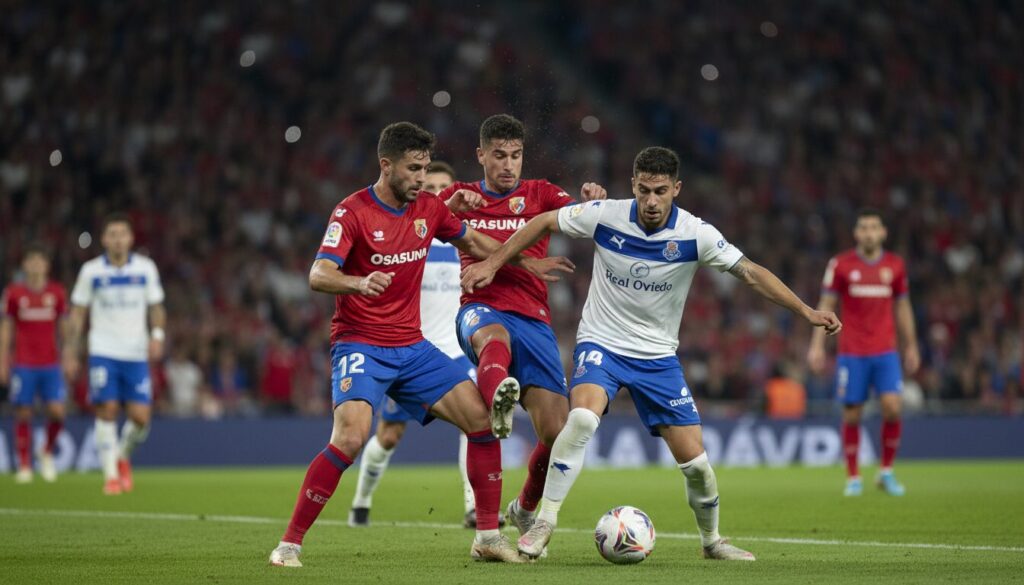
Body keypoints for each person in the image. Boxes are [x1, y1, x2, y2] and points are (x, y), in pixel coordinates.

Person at [462, 146, 842, 561]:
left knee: (695, 464)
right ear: (633, 186)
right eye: (643, 190)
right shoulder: (606, 214)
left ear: (676, 188)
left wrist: (806, 310)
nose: (651, 201)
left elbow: (750, 272)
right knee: (583, 417)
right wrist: (496, 263)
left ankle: (712, 541)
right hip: (602, 342)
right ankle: (543, 523)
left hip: (658, 357)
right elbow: (543, 221)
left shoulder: (697, 234)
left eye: (661, 191)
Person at [268, 122, 572, 568]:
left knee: (482, 421)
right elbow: (318, 275)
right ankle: (289, 544)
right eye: (413, 169)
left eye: (425, 167)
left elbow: (470, 239)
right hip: (362, 345)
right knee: (352, 438)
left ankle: (487, 535)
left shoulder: (428, 208)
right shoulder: (351, 212)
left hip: (413, 348)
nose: (420, 178)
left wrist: (523, 261)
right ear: (385, 164)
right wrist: (357, 282)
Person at [438, 114, 605, 539]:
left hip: (533, 319)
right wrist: (447, 209)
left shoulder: (540, 193)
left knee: (557, 433)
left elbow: (585, 218)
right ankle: (498, 402)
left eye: (515, 156)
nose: (508, 164)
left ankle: (525, 506)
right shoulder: (462, 195)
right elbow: (418, 224)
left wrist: (591, 200)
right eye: (499, 156)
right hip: (480, 308)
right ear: (481, 156)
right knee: (494, 338)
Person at [348, 160, 504, 529]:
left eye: (443, 189)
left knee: (478, 419)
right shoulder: (406, 239)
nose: (436, 195)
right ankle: (361, 502)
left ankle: (472, 508)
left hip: (454, 349)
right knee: (388, 436)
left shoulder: (462, 242)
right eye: (430, 188)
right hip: (410, 347)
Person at [807, 208, 919, 497]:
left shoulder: (895, 266)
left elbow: (903, 307)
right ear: (857, 234)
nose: (869, 232)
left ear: (883, 233)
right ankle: (854, 477)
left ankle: (886, 472)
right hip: (852, 351)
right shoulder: (841, 265)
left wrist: (912, 345)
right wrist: (817, 346)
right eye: (864, 228)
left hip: (885, 350)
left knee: (893, 407)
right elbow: (826, 304)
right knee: (853, 414)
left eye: (874, 227)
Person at [66, 214, 166, 495]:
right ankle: (110, 475)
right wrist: (71, 351)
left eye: (123, 233)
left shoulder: (145, 269)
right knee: (107, 409)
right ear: (104, 239)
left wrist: (157, 336)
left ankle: (122, 455)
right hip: (103, 350)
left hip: (135, 352)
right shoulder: (91, 271)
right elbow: (77, 314)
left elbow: (157, 307)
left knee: (140, 417)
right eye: (113, 234)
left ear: (131, 238)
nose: (118, 239)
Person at [1, 245, 70, 483]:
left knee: (58, 412)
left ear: (46, 266)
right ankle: (24, 464)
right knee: (23, 412)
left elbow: (64, 329)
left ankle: (46, 450)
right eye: (31, 262)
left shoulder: (57, 293)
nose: (36, 266)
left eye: (40, 262)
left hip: (50, 363)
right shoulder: (14, 293)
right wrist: (2, 360)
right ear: (25, 266)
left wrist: (69, 356)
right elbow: (6, 328)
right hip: (23, 363)